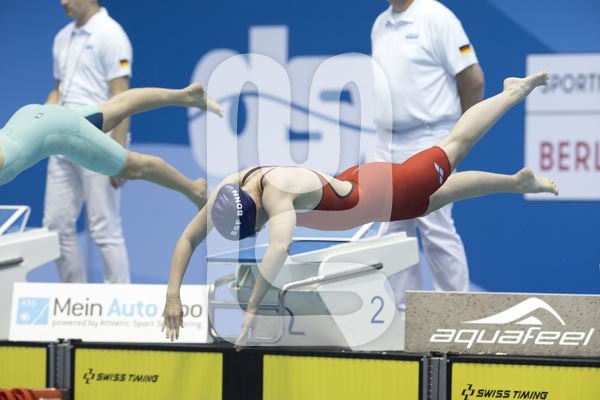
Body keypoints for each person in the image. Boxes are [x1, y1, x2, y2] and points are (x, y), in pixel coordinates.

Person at [162, 71, 557, 349]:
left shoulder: (276, 192)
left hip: (380, 190)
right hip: (363, 196)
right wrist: (173, 295)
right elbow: (186, 239)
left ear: (256, 210)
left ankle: (512, 92)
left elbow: (280, 248)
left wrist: (252, 310)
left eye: (258, 224)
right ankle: (515, 183)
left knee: (454, 146)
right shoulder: (230, 188)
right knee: (431, 202)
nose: (262, 227)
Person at [369, 0, 485, 311]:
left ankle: (455, 312)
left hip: (431, 137)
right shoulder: (380, 24)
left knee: (436, 226)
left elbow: (473, 80)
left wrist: (462, 135)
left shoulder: (437, 18)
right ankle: (404, 316)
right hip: (386, 139)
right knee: (392, 230)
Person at [0, 82, 223, 206]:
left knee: (134, 166)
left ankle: (196, 190)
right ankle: (186, 96)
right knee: (113, 109)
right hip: (32, 118)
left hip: (54, 128)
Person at [44, 0, 134, 283]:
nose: (63, 2)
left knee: (104, 228)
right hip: (61, 141)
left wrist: (119, 152)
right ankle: (74, 300)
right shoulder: (61, 37)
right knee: (55, 226)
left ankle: (120, 304)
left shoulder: (111, 35)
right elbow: (58, 90)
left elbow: (123, 98)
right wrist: (41, 119)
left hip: (97, 141)